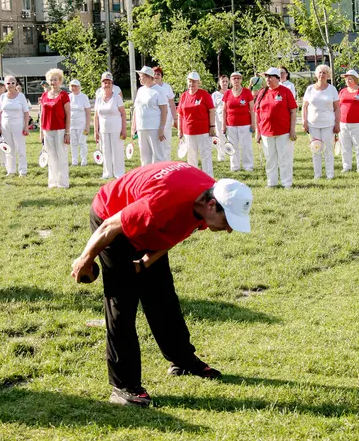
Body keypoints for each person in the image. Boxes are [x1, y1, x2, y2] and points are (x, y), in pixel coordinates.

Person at [71, 161, 253, 407]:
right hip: (111, 218)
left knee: (162, 295)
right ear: (212, 206)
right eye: (228, 222)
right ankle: (123, 386)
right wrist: (85, 259)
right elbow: (109, 227)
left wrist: (146, 263)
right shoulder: (162, 204)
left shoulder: (207, 197)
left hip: (148, 223)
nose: (229, 230)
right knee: (122, 303)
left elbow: (177, 230)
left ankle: (182, 360)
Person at [255, 67, 297, 188]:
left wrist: (292, 129)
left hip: (283, 131)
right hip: (266, 131)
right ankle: (271, 182)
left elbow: (293, 111)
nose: (268, 79)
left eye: (270, 77)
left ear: (278, 78)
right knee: (270, 158)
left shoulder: (285, 91)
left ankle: (287, 183)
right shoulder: (262, 93)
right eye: (266, 77)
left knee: (284, 158)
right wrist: (258, 132)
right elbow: (257, 113)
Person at [302, 64, 340, 180]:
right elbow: (304, 106)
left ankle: (330, 175)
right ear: (316, 74)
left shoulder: (332, 89)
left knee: (328, 150)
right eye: (319, 72)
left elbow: (337, 108)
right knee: (316, 149)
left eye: (324, 73)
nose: (321, 75)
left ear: (328, 75)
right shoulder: (309, 89)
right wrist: (304, 121)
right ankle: (317, 175)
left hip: (328, 124)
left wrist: (337, 123)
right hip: (313, 124)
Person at [178, 71, 216, 176]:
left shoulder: (204, 94)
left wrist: (212, 126)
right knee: (191, 155)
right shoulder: (184, 96)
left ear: (199, 83)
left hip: (203, 130)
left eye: (194, 82)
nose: (192, 84)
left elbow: (211, 110)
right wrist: (179, 130)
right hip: (188, 131)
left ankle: (208, 177)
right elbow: (180, 114)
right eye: (190, 81)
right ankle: (193, 178)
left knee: (205, 154)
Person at [40, 68, 71, 188]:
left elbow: (68, 115)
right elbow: (42, 114)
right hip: (47, 129)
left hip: (60, 129)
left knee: (61, 156)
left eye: (55, 80)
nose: (53, 82)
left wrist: (67, 132)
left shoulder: (64, 95)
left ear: (60, 81)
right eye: (51, 80)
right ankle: (53, 182)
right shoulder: (44, 95)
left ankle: (63, 183)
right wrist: (41, 132)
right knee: (51, 156)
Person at [131, 66, 168, 165]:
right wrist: (133, 126)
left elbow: (164, 111)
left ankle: (159, 178)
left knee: (158, 155)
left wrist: (161, 128)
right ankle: (147, 178)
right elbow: (136, 109)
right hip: (141, 127)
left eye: (141, 76)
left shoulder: (159, 90)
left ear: (148, 77)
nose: (139, 78)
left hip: (154, 127)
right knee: (144, 156)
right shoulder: (140, 90)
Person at [94, 73, 127, 179]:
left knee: (117, 151)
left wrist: (124, 129)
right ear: (101, 84)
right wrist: (96, 131)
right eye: (104, 82)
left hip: (116, 129)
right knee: (105, 150)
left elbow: (123, 113)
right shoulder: (99, 98)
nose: (106, 84)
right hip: (103, 129)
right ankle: (107, 172)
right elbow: (96, 116)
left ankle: (119, 173)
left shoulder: (117, 97)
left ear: (112, 84)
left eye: (109, 82)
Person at [0, 75, 29, 177]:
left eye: (12, 83)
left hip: (18, 125)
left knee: (20, 148)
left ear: (16, 84)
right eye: (8, 83)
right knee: (8, 149)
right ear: (5, 85)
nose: (10, 85)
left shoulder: (21, 96)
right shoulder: (3, 97)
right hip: (5, 125)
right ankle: (11, 170)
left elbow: (26, 112)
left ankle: (22, 170)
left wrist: (26, 126)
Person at [339, 69, 359, 173]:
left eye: (350, 79)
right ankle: (346, 166)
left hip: (358, 123)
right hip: (343, 123)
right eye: (346, 79)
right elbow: (338, 106)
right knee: (344, 146)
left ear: (355, 79)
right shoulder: (342, 91)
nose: (347, 81)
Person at [222, 72, 255, 172]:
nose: (236, 80)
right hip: (231, 125)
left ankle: (248, 166)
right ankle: (234, 166)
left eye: (238, 78)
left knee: (246, 146)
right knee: (233, 146)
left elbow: (252, 109)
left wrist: (253, 124)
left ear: (241, 80)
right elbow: (224, 110)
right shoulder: (227, 93)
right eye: (234, 79)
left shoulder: (247, 92)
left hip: (245, 124)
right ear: (231, 81)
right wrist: (224, 125)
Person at [153, 66, 177, 160]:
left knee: (166, 141)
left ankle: (167, 161)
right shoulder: (149, 88)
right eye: (154, 74)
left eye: (158, 74)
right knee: (156, 141)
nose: (156, 76)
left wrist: (175, 118)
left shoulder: (167, 87)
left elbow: (171, 103)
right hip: (154, 118)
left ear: (161, 76)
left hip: (166, 117)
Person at [69, 80, 91, 167]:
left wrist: (87, 126)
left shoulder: (84, 97)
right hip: (71, 124)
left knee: (82, 142)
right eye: (72, 86)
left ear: (79, 87)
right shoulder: (69, 97)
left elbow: (88, 112)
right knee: (73, 143)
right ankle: (74, 161)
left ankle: (84, 161)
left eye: (75, 86)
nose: (74, 88)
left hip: (82, 124)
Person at [211, 74, 229, 162]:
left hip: (230, 119)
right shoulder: (215, 95)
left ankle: (232, 155)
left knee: (231, 139)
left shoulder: (232, 92)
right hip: (219, 120)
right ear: (219, 83)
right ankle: (221, 156)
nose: (225, 83)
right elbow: (212, 109)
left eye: (226, 81)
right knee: (220, 138)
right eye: (223, 81)